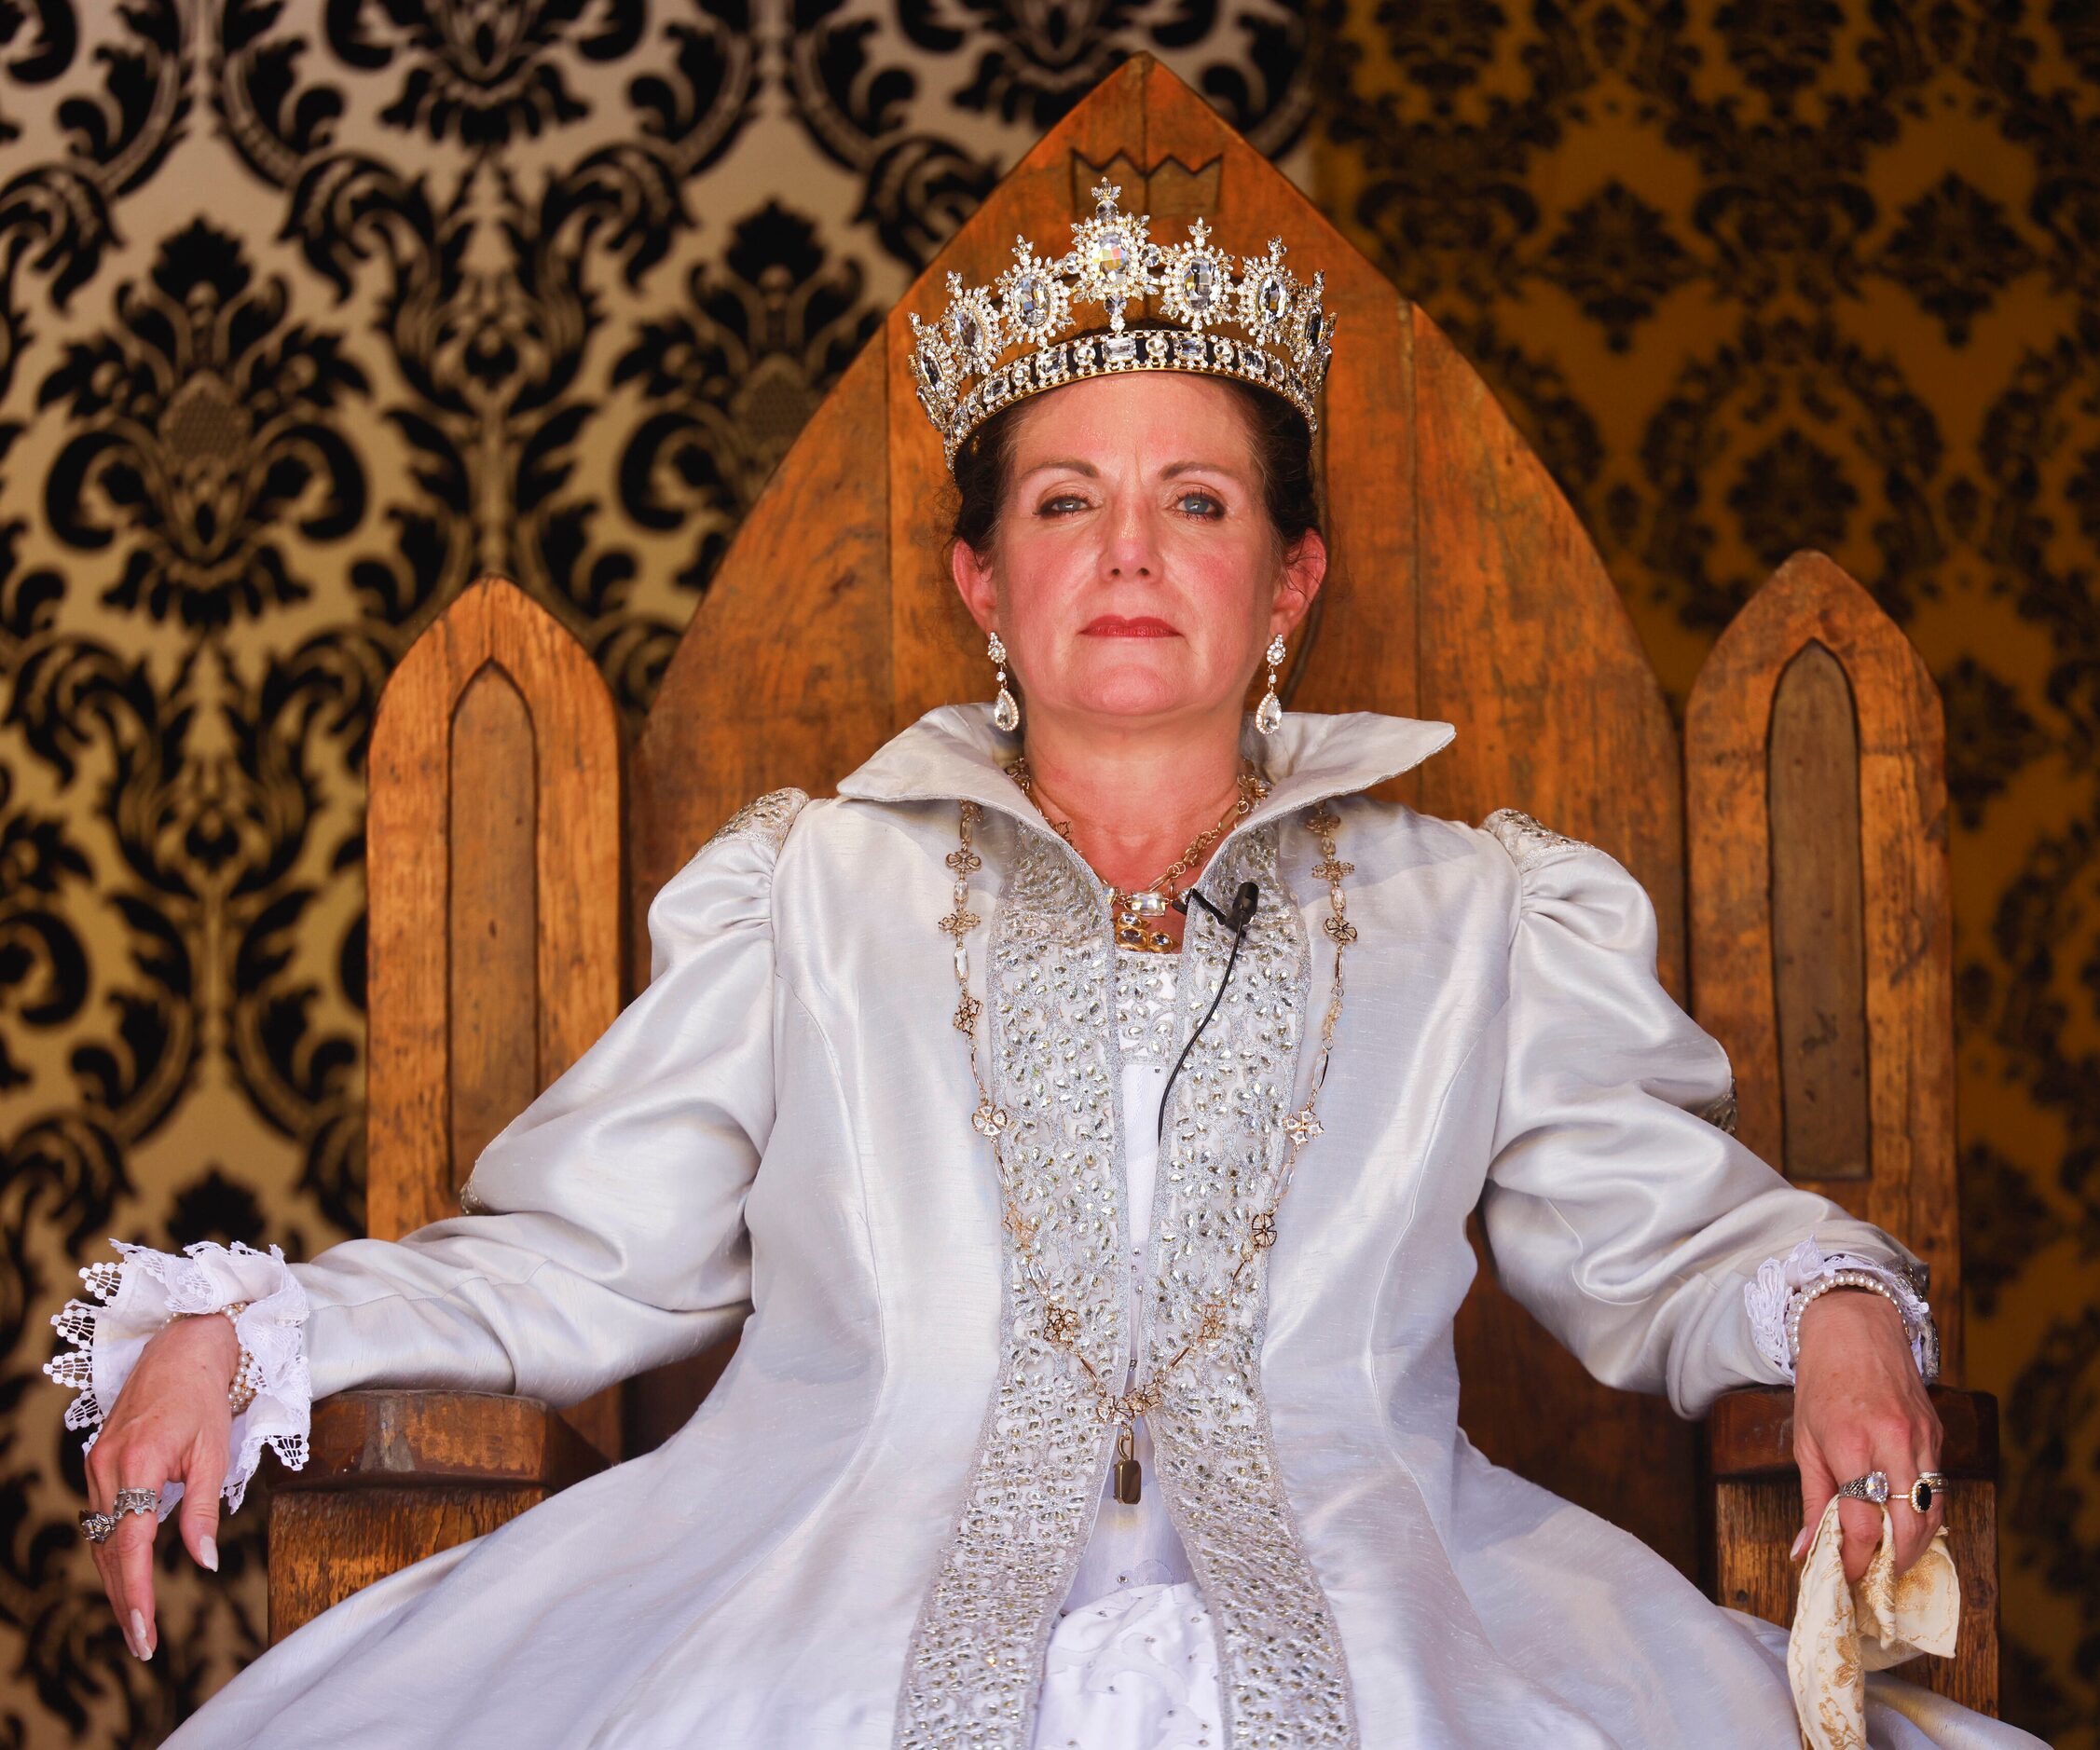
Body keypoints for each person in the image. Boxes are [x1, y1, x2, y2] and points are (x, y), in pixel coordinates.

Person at [45, 187, 2042, 1750]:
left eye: (1197, 504)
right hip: (823, 1577)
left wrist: (1827, 1311)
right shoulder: (808, 897)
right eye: (1064, 505)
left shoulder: (1476, 916)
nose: (1128, 555)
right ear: (981, 584)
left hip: (1384, 1586)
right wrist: (261, 1331)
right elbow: (584, 1257)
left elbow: (1660, 1232)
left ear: (1290, 582)